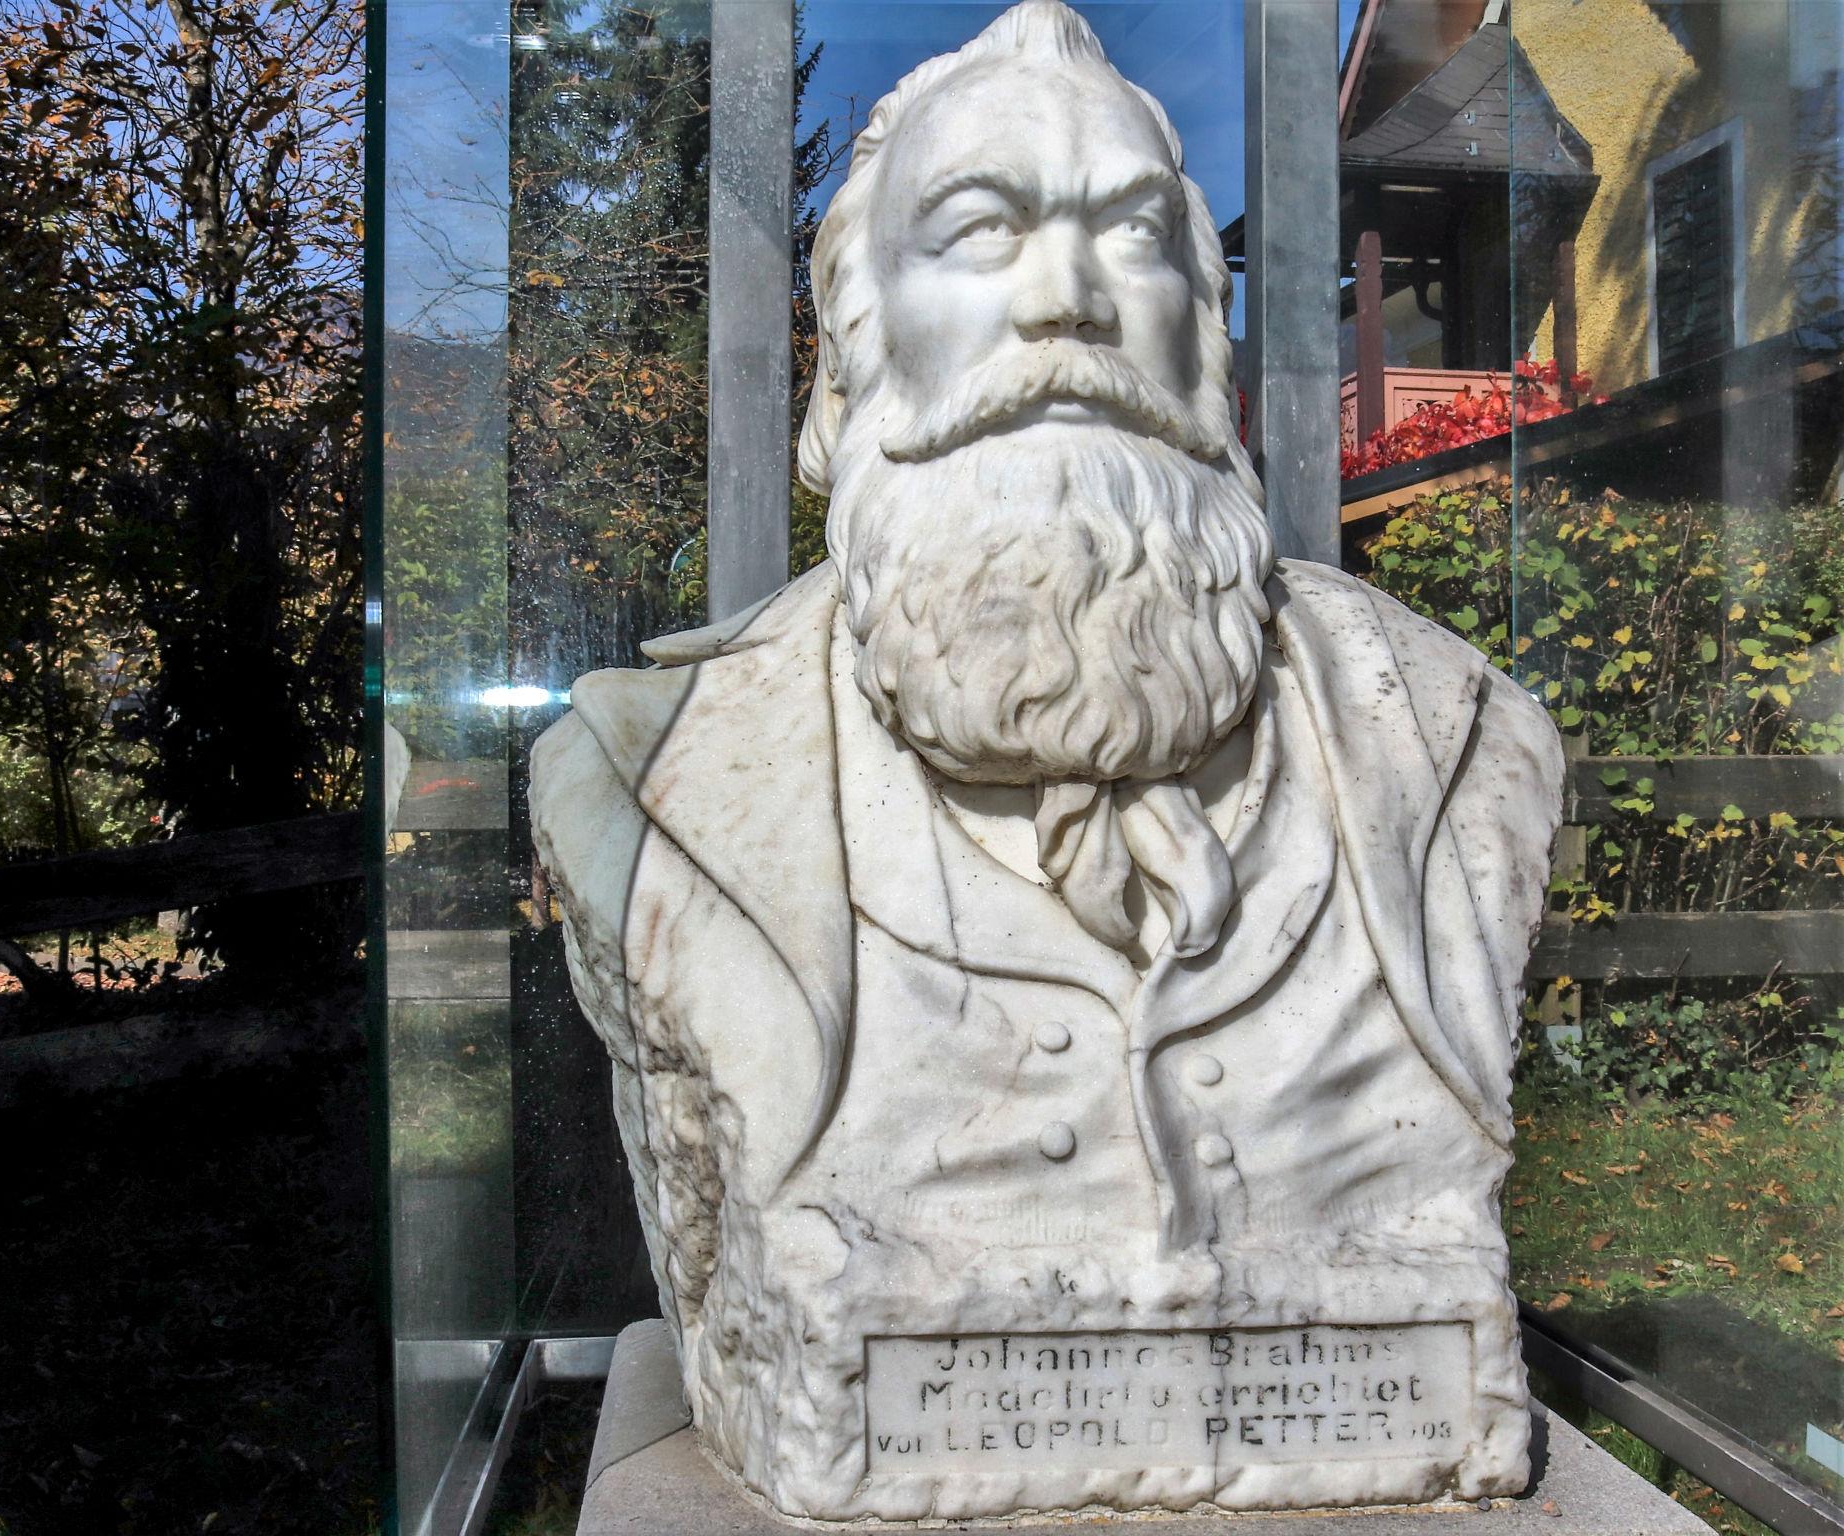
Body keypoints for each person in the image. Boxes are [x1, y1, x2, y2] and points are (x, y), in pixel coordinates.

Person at [530, 0, 1561, 1518]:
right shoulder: (650, 781)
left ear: (1208, 348)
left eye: (1139, 238)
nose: (1067, 301)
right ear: (855, 349)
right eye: (980, 231)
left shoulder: (1458, 742)